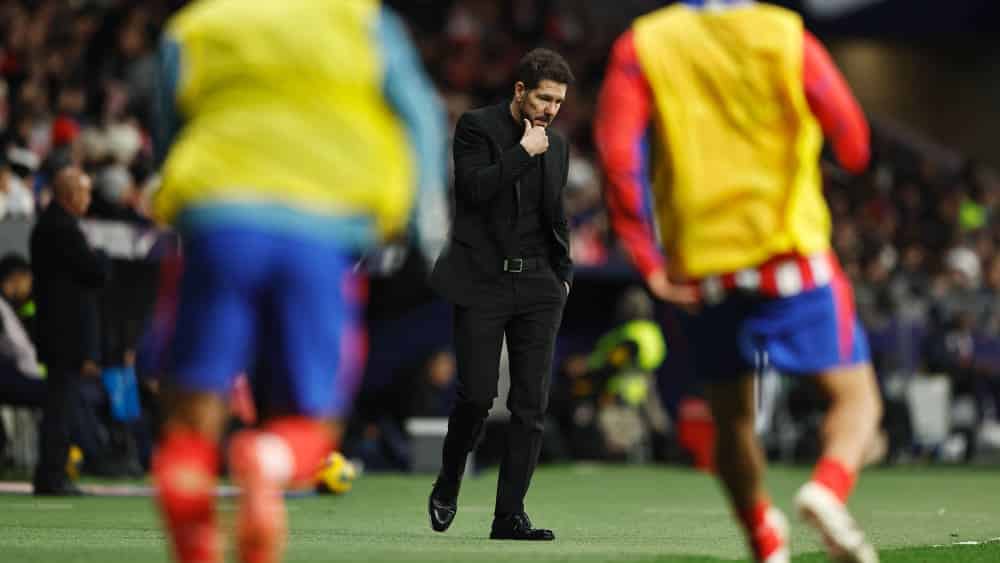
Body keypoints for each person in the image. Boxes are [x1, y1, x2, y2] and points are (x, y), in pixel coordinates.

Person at [150, 1, 445, 563]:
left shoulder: (197, 24)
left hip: (219, 221)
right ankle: (270, 460)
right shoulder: (363, 21)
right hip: (322, 228)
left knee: (190, 414)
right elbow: (420, 117)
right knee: (314, 419)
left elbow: (169, 133)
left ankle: (194, 538)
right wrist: (426, 224)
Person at [594, 2, 882, 562]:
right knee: (858, 399)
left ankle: (765, 541)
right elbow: (853, 142)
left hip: (703, 269)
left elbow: (618, 156)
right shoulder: (787, 36)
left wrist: (648, 260)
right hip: (789, 254)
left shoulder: (643, 45)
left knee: (732, 419)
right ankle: (827, 489)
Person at [427, 48, 574, 541]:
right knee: (476, 397)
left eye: (558, 102)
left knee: (531, 405)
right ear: (520, 90)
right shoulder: (476, 127)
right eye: (544, 98)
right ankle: (449, 481)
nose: (551, 109)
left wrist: (563, 274)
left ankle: (509, 515)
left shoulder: (558, 146)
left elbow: (555, 215)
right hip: (482, 281)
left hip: (539, 285)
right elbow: (473, 191)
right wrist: (523, 151)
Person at [29, 166, 110, 495]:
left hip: (55, 331)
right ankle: (52, 476)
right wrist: (101, 256)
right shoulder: (62, 228)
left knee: (60, 404)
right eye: (85, 192)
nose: (88, 198)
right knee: (60, 407)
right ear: (71, 193)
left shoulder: (51, 224)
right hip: (64, 334)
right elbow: (94, 271)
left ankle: (51, 473)